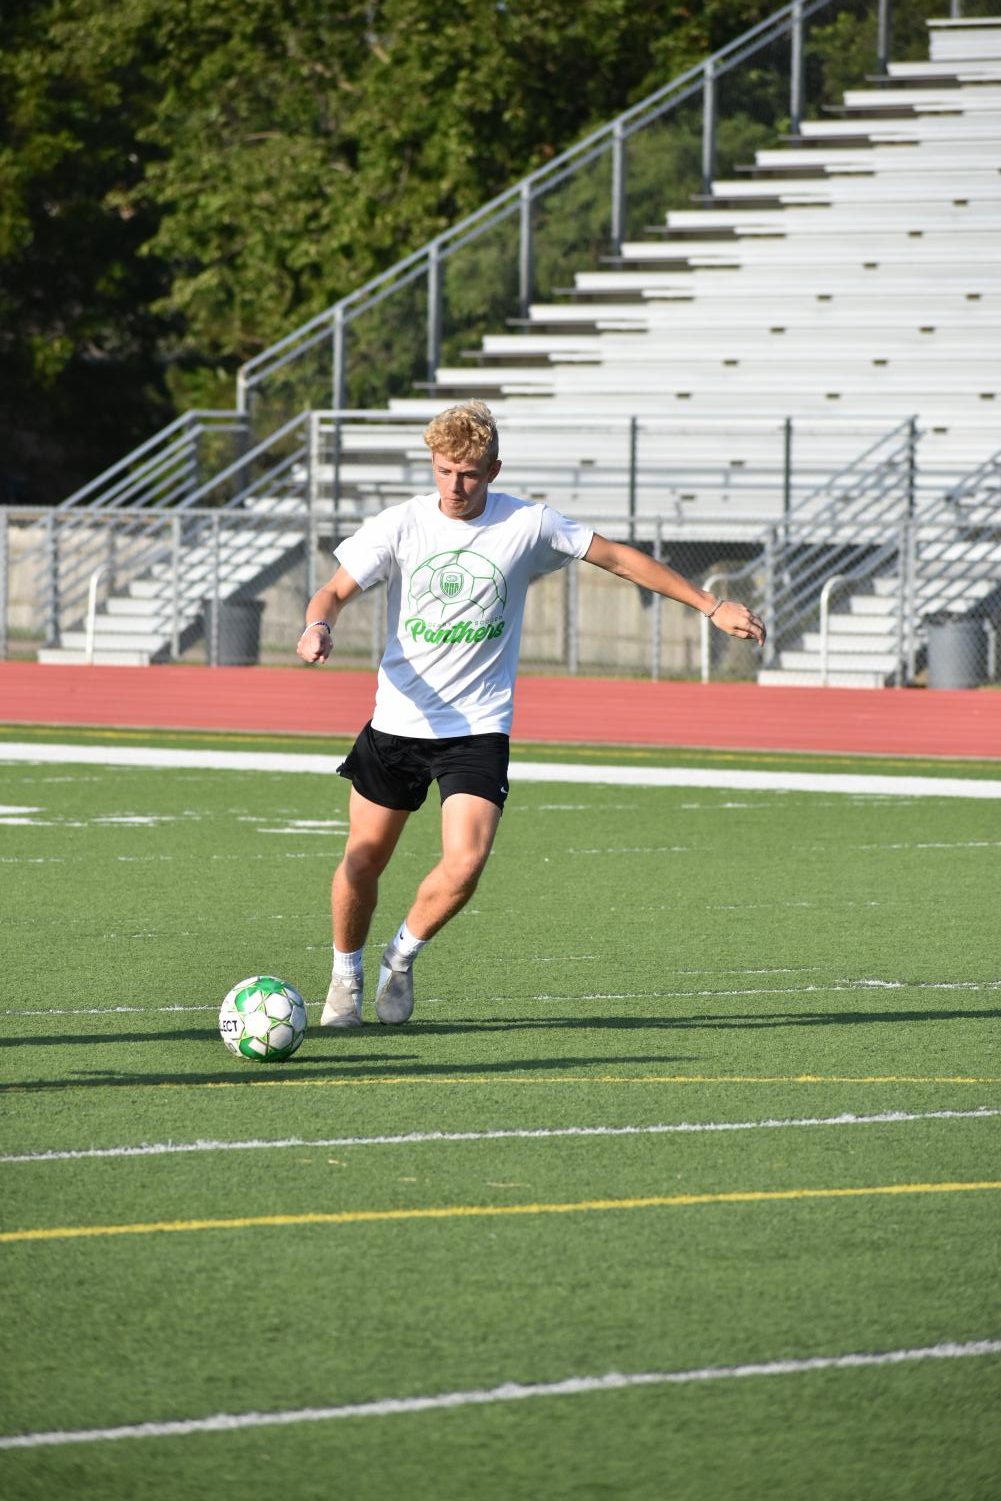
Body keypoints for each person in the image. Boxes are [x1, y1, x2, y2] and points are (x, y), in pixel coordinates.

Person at [297, 400, 765, 1028]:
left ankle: (400, 957)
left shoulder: (529, 523)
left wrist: (710, 605)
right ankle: (344, 979)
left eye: (466, 473)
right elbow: (333, 589)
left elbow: (620, 559)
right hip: (398, 722)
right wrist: (318, 624)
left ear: (493, 469)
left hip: (477, 726)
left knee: (465, 863)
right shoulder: (401, 525)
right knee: (362, 860)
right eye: (442, 471)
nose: (453, 487)